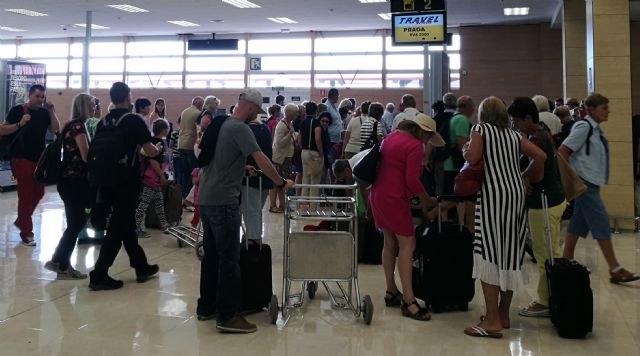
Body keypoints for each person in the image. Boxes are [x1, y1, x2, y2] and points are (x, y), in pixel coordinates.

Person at [196, 88, 293, 334]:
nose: (256, 116)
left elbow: (219, 162)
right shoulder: (240, 128)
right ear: (250, 107)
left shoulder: (221, 124)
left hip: (206, 198)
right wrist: (280, 182)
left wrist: (241, 170)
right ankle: (227, 316)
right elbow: (260, 158)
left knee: (211, 256)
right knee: (229, 259)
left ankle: (206, 307)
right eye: (256, 112)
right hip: (224, 201)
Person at [462, 96, 546, 339]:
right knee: (509, 252)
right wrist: (525, 176)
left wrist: (467, 151)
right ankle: (503, 314)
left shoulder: (480, 129)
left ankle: (491, 321)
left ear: (483, 113)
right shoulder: (514, 135)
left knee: (488, 251)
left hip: (492, 195)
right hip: (515, 195)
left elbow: (474, 157)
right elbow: (540, 156)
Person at [369, 115, 444, 322]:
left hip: (377, 195)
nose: (428, 142)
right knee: (408, 244)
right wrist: (427, 199)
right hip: (394, 198)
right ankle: (409, 301)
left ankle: (391, 291)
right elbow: (411, 180)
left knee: (389, 241)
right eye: (429, 137)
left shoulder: (391, 137)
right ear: (424, 133)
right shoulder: (414, 146)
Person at [559, 93, 640, 284]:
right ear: (591, 110)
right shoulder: (583, 127)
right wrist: (573, 178)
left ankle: (566, 259)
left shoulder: (596, 131)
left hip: (592, 183)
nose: (608, 111)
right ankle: (615, 268)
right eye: (604, 107)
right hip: (585, 185)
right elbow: (563, 151)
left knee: (578, 224)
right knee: (601, 223)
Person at [89, 82, 161, 291]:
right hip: (126, 181)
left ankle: (141, 266)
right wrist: (156, 149)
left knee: (126, 224)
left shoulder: (105, 121)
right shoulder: (133, 121)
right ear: (128, 97)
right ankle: (99, 273)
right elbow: (148, 150)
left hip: (105, 179)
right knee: (118, 227)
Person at [509, 97, 566, 318]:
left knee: (544, 254)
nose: (515, 124)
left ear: (528, 118)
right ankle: (553, 296)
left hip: (544, 202)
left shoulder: (538, 138)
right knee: (551, 251)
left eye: (517, 120)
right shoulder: (540, 133)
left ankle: (544, 301)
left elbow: (538, 169)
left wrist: (522, 178)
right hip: (551, 201)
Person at [0, 84, 60, 246]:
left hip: (38, 160)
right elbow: (2, 129)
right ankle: (27, 232)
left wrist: (52, 111)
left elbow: (56, 129)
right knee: (25, 196)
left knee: (39, 192)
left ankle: (22, 220)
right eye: (37, 96)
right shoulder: (18, 110)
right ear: (30, 95)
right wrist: (19, 124)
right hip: (21, 159)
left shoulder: (43, 113)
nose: (41, 100)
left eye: (43, 97)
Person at [43, 93, 94, 279]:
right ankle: (59, 262)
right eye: (92, 104)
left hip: (67, 181)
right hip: (75, 181)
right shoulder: (79, 126)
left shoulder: (69, 125)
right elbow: (85, 155)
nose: (95, 107)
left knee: (76, 222)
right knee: (75, 223)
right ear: (85, 106)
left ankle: (60, 262)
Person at [135, 119, 171, 236]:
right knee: (144, 204)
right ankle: (135, 227)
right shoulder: (157, 143)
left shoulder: (154, 141)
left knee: (159, 202)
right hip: (151, 178)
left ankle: (164, 224)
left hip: (154, 178)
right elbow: (152, 160)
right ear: (164, 130)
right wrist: (161, 175)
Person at [242, 110, 273, 240]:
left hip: (250, 177)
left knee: (251, 213)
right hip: (265, 177)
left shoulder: (244, 130)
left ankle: (253, 243)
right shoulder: (265, 128)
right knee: (256, 211)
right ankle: (251, 239)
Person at [269, 103, 297, 213]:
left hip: (286, 158)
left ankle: (282, 205)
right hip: (280, 158)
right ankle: (272, 205)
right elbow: (280, 143)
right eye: (295, 113)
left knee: (282, 183)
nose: (296, 115)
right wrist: (290, 134)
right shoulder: (281, 125)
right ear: (290, 113)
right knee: (277, 183)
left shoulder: (289, 123)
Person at [178, 96, 204, 200]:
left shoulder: (184, 111)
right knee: (192, 173)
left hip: (181, 144)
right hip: (190, 145)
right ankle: (188, 199)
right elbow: (199, 130)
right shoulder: (198, 113)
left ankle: (182, 197)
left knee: (184, 174)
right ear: (199, 104)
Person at [298, 102, 324, 201]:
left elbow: (299, 140)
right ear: (316, 111)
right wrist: (321, 153)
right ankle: (312, 209)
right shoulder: (316, 123)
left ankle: (304, 207)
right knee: (314, 181)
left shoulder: (302, 122)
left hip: (303, 152)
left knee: (305, 179)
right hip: (313, 153)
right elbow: (317, 138)